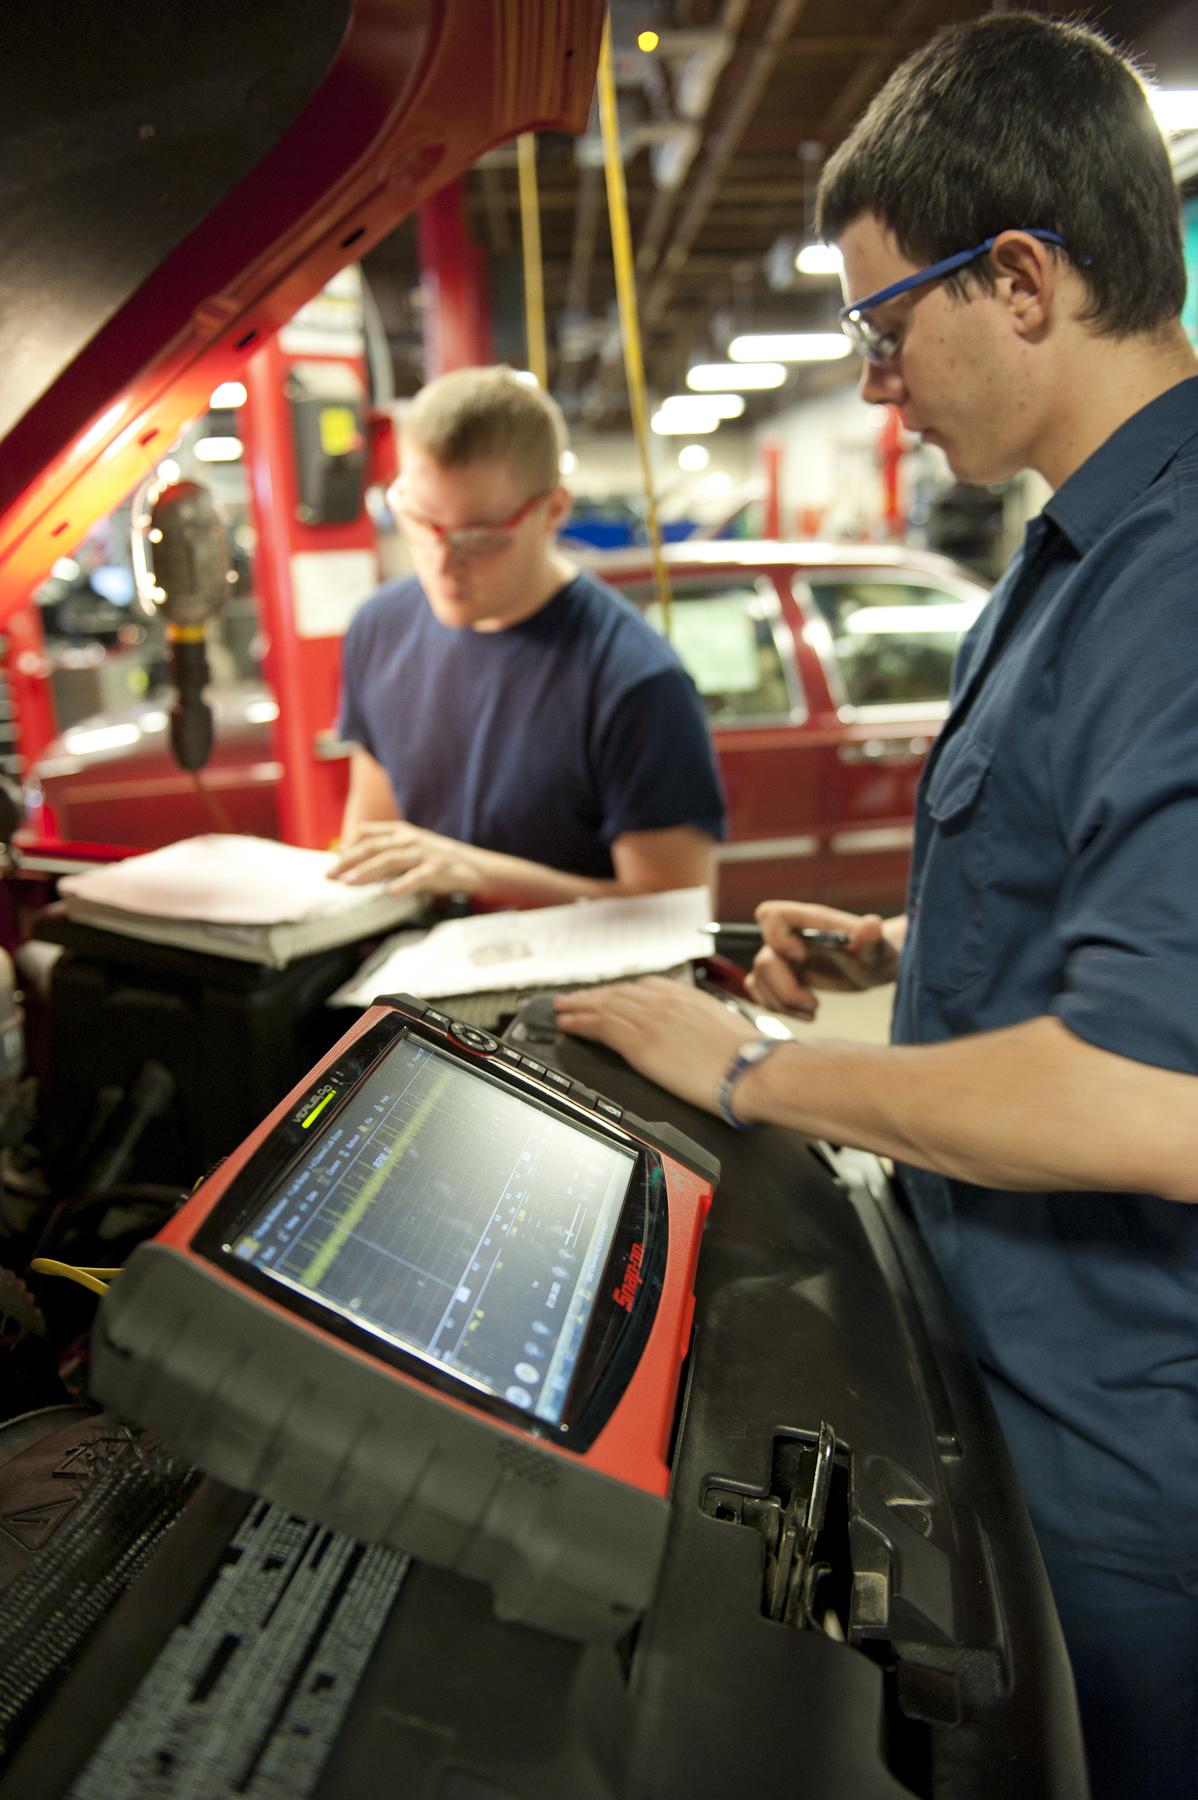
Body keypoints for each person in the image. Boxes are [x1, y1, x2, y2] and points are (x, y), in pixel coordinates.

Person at [555, 16, 1198, 1799]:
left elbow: (1155, 1105)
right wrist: (911, 953)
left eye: (879, 321)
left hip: (1125, 1470)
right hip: (1006, 1383)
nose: (869, 382)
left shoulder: (1174, 578)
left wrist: (752, 1071)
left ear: (1016, 278)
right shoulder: (1061, 562)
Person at [330, 366, 724, 904]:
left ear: (553, 510)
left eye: (479, 538)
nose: (442, 563)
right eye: (420, 523)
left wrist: (479, 876)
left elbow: (674, 907)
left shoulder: (636, 680)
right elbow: (373, 843)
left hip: (570, 983)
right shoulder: (378, 629)